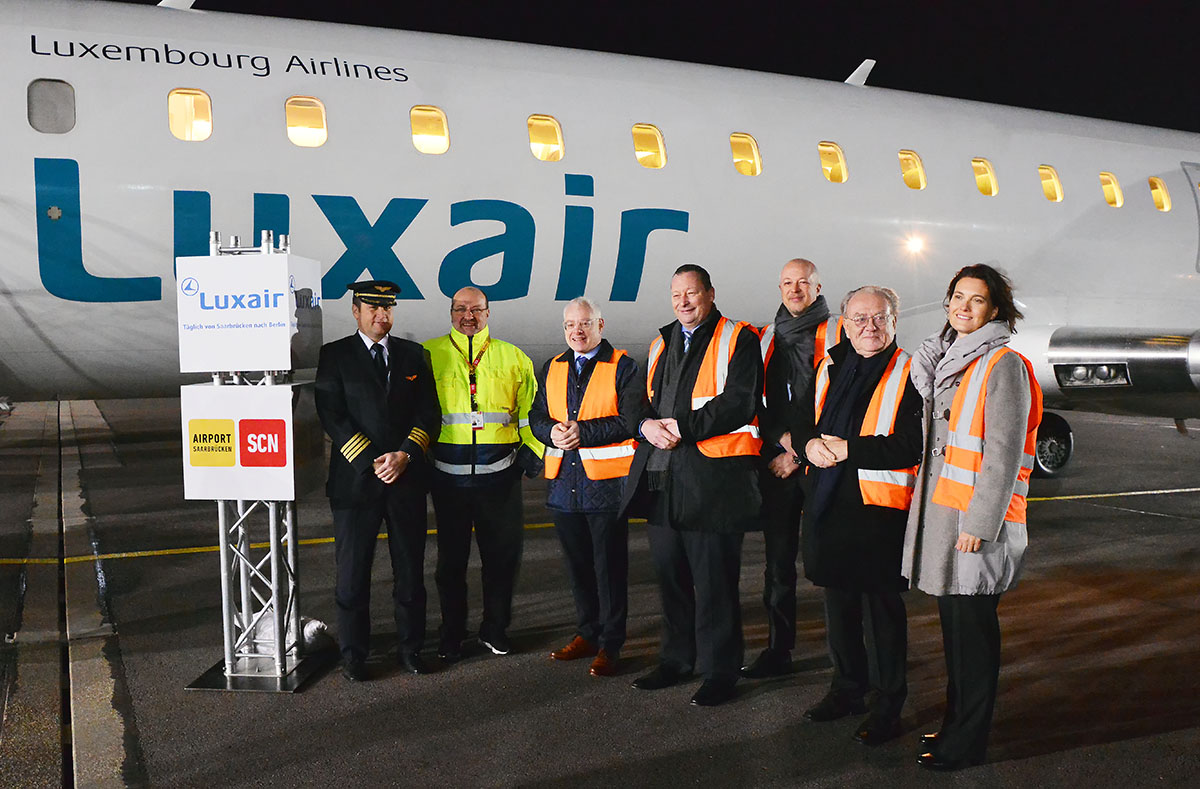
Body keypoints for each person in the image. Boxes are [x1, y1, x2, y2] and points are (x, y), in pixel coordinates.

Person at [902, 264, 1042, 770]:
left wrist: (980, 527)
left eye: (976, 300)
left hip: (975, 527)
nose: (963, 307)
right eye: (957, 297)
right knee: (956, 638)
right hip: (946, 519)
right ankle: (954, 726)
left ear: (994, 309)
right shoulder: (947, 360)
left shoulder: (1003, 365)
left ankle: (968, 742)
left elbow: (1003, 455)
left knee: (974, 640)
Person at [620, 264, 763, 707]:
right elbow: (638, 400)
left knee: (715, 585)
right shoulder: (660, 342)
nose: (683, 302)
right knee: (672, 581)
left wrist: (682, 428)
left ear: (710, 294)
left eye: (692, 293)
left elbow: (740, 401)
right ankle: (676, 660)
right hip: (661, 479)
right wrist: (645, 425)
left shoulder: (739, 338)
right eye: (676, 295)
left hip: (712, 483)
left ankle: (721, 671)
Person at [793, 286, 923, 743]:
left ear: (894, 321)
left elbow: (912, 444)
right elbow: (801, 420)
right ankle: (847, 689)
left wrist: (850, 449)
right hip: (828, 503)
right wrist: (808, 444)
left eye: (879, 318)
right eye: (860, 319)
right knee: (839, 607)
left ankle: (888, 706)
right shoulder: (830, 366)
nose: (870, 327)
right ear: (845, 325)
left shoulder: (911, 372)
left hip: (877, 512)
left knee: (882, 615)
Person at [314, 280, 441, 682]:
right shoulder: (335, 355)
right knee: (352, 576)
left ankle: (411, 649)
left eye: (387, 308)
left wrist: (405, 455)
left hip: (406, 479)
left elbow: (429, 414)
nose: (381, 315)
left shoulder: (413, 355)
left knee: (410, 573)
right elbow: (331, 414)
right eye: (373, 308)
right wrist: (372, 461)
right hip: (356, 483)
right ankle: (354, 655)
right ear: (356, 311)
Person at [424, 286, 544, 661]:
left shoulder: (513, 357)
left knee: (502, 560)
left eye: (476, 310)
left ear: (488, 314)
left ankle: (495, 629)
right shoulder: (428, 355)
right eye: (461, 309)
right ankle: (451, 633)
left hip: (500, 478)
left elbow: (532, 412)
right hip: (448, 478)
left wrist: (533, 451)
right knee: (450, 564)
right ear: (451, 313)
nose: (468, 316)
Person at [529, 297, 643, 678]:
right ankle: (587, 634)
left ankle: (611, 644)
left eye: (585, 324)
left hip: (605, 488)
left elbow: (630, 420)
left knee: (609, 569)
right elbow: (536, 415)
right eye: (570, 325)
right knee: (578, 568)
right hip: (564, 486)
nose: (577, 331)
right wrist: (550, 432)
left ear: (600, 325)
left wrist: (584, 432)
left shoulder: (623, 366)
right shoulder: (553, 367)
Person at [743, 258, 843, 680]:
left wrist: (798, 454)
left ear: (818, 288)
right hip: (779, 463)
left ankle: (846, 658)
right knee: (778, 565)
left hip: (821, 463)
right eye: (788, 283)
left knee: (832, 563)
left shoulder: (839, 332)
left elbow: (843, 403)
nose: (795, 289)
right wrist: (782, 443)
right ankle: (777, 651)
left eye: (803, 282)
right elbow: (757, 400)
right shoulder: (767, 337)